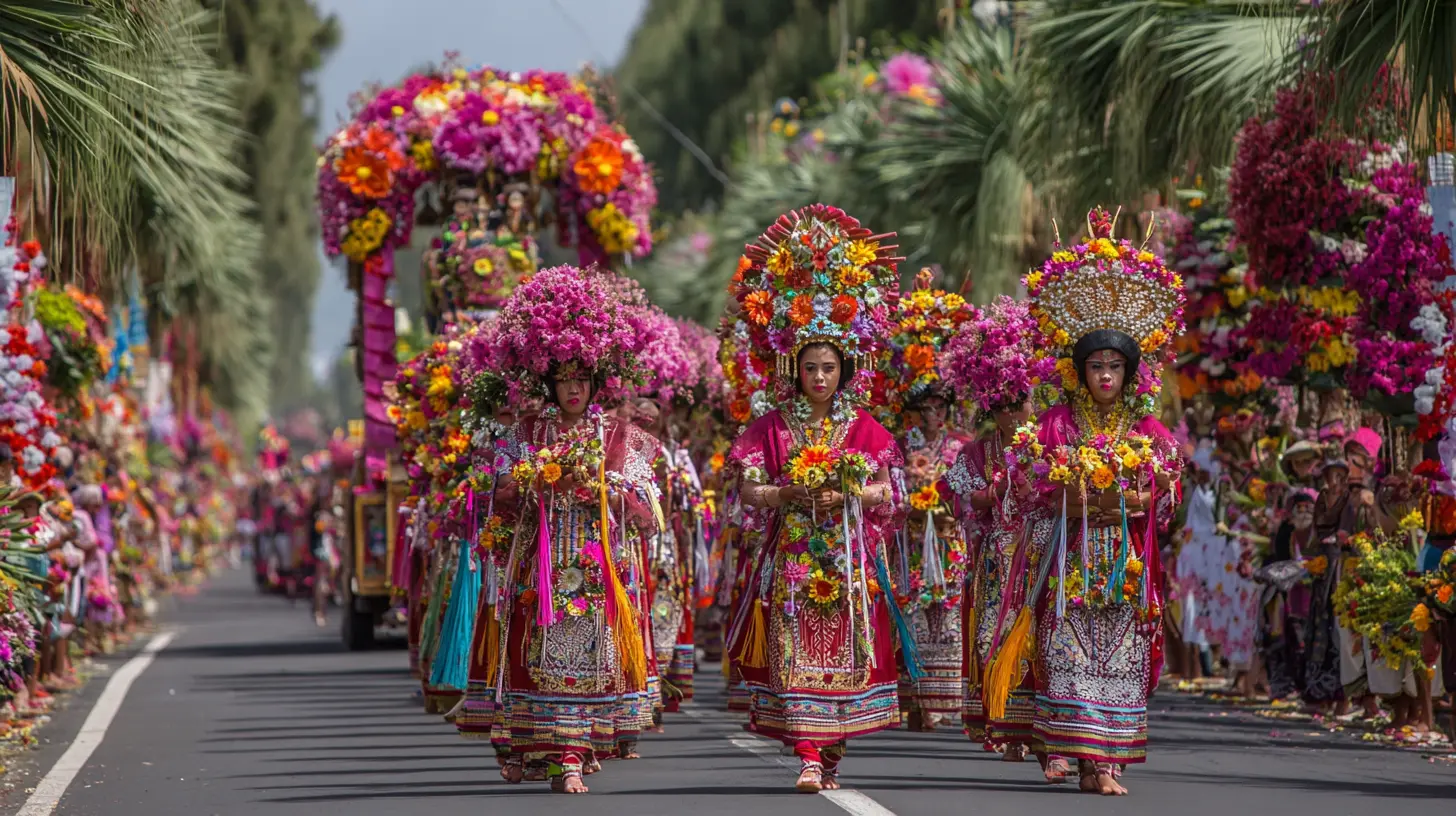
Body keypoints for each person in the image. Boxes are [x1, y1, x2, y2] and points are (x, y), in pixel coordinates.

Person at [993, 207, 1185, 796]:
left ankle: (1106, 758)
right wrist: (1073, 496)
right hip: (1068, 555)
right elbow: (1030, 484)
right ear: (1080, 371)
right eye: (1097, 365)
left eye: (1116, 366)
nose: (1106, 375)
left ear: (1130, 373)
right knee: (1071, 651)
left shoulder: (1149, 429)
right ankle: (1082, 755)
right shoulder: (1054, 421)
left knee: (1121, 654)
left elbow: (1169, 487)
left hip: (1124, 558)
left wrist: (1132, 498)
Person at [724, 204, 905, 793]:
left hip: (849, 557)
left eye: (829, 367)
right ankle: (806, 748)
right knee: (795, 643)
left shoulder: (869, 428)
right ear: (793, 368)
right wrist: (788, 492)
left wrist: (851, 490)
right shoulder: (770, 427)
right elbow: (750, 489)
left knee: (846, 647)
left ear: (844, 368)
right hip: (796, 556)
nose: (820, 377)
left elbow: (889, 492)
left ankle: (831, 747)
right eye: (810, 367)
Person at [485, 265, 659, 794]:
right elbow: (502, 496)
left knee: (586, 656)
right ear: (548, 381)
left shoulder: (618, 434)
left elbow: (647, 511)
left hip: (595, 560)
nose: (573, 388)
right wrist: (534, 480)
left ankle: (572, 754)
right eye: (562, 379)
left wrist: (606, 487)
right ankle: (545, 750)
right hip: (541, 559)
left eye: (581, 378)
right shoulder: (528, 431)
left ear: (596, 379)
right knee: (537, 653)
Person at [941, 295, 1054, 773]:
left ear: (1033, 400)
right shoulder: (978, 451)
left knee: (1045, 641)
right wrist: (1000, 488)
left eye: (1020, 403)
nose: (1013, 414)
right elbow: (960, 497)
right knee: (996, 637)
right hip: (996, 562)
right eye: (1004, 406)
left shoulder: (1051, 442)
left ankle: (1048, 738)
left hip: (1044, 558)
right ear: (992, 405)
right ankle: (1010, 731)